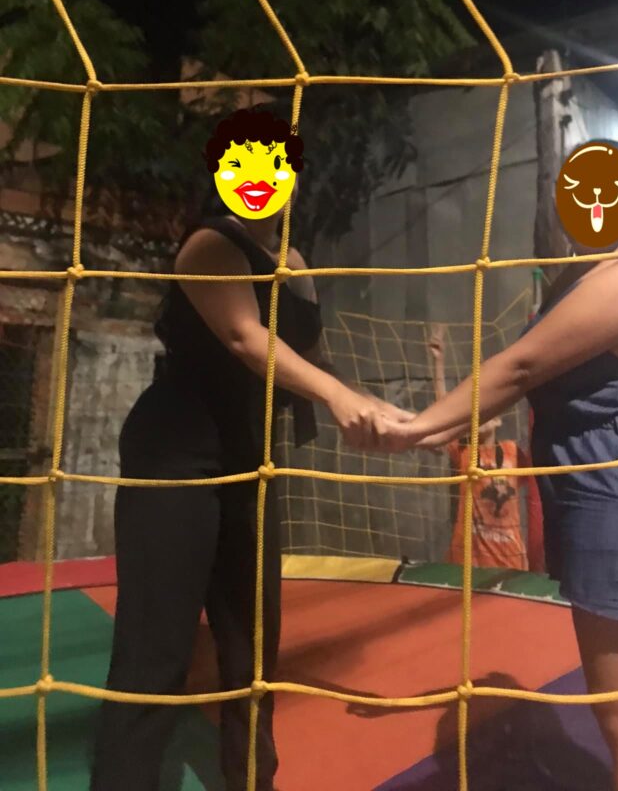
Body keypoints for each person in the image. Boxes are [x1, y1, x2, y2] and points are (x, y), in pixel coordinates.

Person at [91, 107, 408, 791]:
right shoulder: (208, 245)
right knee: (157, 651)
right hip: (177, 452)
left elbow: (305, 356)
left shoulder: (296, 263)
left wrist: (380, 413)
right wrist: (337, 396)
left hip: (251, 458)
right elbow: (245, 337)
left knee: (252, 653)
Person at [381, 141, 618, 791]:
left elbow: (521, 367)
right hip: (602, 490)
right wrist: (431, 425)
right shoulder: (585, 277)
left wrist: (416, 427)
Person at [428, 324, 527, 570]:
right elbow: (443, 412)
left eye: (486, 411)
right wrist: (438, 361)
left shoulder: (513, 452)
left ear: (498, 419)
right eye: (476, 413)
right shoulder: (464, 453)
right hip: (468, 559)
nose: (480, 417)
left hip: (509, 558)